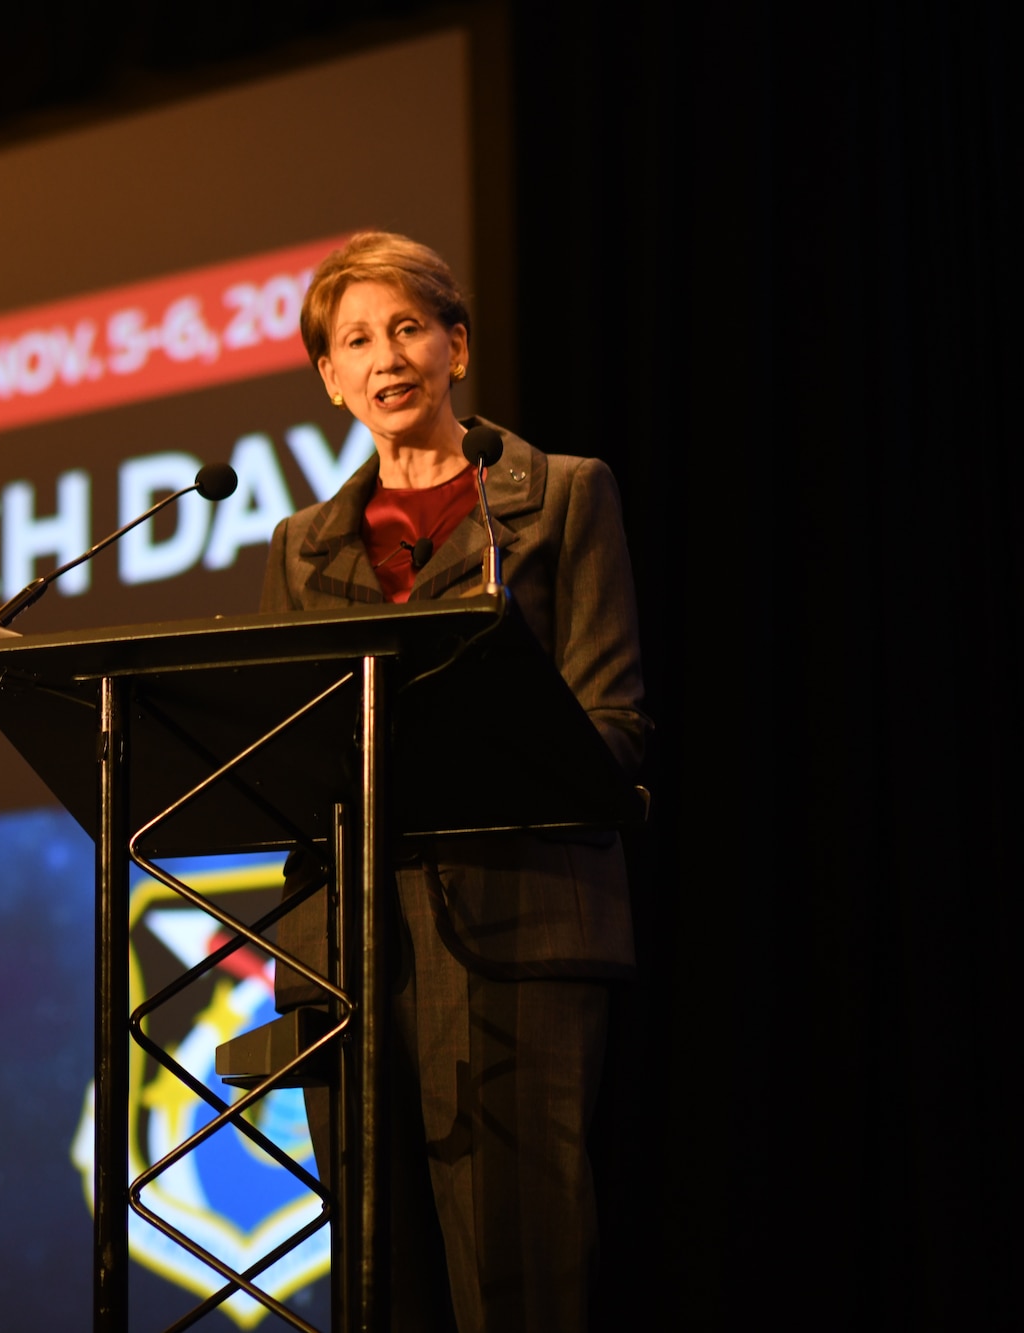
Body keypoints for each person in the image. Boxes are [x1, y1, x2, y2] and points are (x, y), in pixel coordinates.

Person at [260, 230, 648, 1332]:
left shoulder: (562, 497)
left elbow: (613, 728)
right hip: (349, 956)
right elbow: (290, 754)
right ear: (329, 381)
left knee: (517, 1279)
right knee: (379, 1287)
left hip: (516, 930)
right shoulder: (300, 547)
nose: (386, 356)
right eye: (354, 340)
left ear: (455, 347)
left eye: (407, 327)